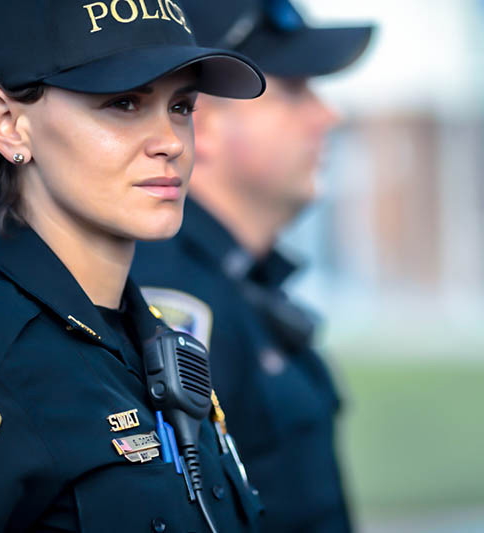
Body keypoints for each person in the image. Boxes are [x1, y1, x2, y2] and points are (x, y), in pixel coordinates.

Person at [0, 0, 267, 530]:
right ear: (9, 125)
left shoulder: (153, 340)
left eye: (181, 106)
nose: (171, 143)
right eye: (124, 103)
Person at [131, 1, 374, 531]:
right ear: (204, 124)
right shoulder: (171, 299)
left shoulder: (236, 281)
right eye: (293, 91)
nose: (328, 115)